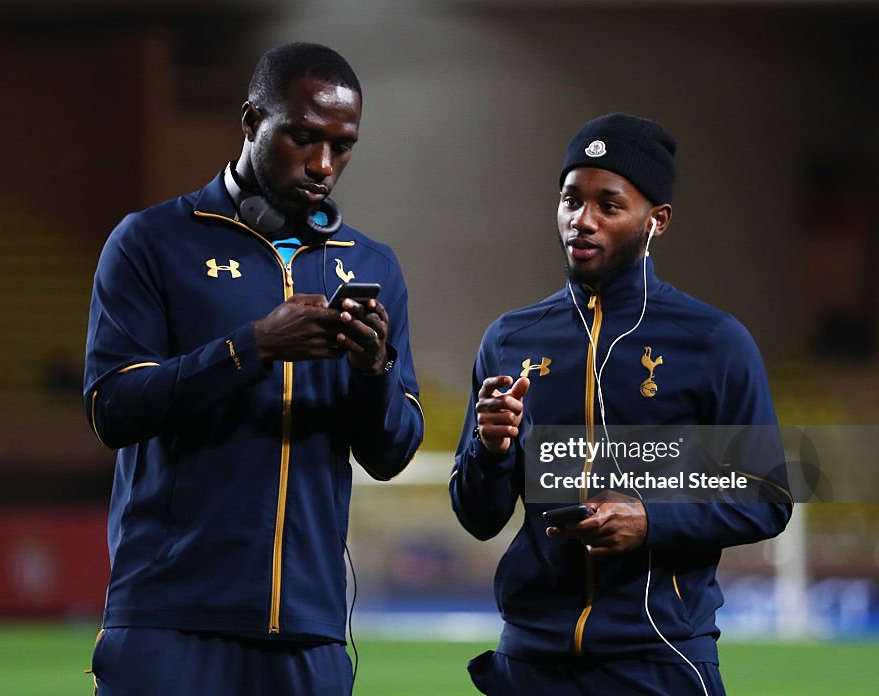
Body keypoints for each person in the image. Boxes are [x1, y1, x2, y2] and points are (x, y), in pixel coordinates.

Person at [83, 42, 424, 696]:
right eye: (302, 136)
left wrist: (376, 372)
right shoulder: (152, 242)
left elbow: (390, 452)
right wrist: (255, 346)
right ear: (250, 121)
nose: (324, 164)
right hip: (168, 621)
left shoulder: (374, 266)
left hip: (312, 631)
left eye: (342, 145)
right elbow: (113, 409)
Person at [449, 113, 792, 695]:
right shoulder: (511, 339)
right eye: (570, 200)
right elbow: (479, 517)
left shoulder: (713, 341)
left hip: (658, 657)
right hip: (532, 659)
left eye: (608, 205)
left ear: (655, 221)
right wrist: (490, 448)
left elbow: (768, 497)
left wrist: (651, 520)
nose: (581, 221)